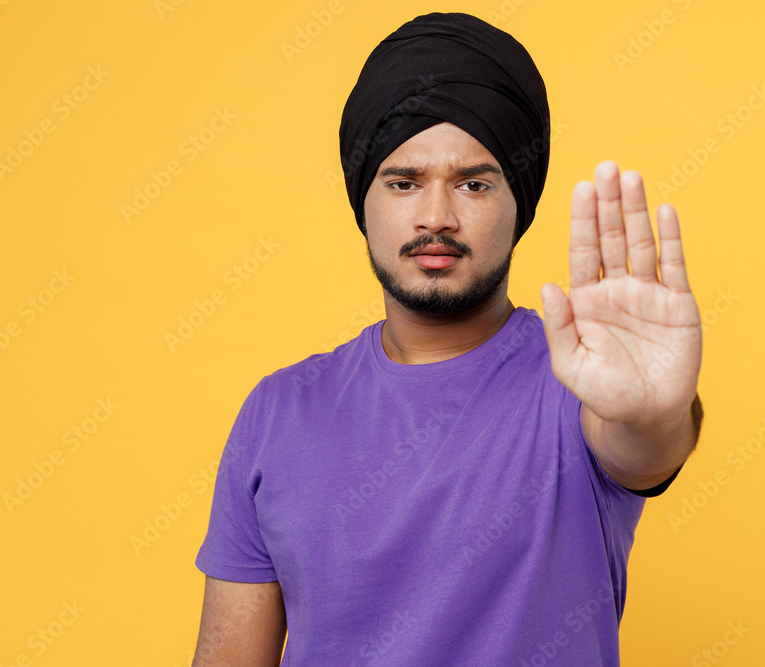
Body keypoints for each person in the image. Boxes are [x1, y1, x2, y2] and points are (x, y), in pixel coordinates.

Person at [191, 11, 704, 666]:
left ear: (519, 201)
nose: (436, 217)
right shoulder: (276, 412)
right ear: (363, 198)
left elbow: (644, 444)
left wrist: (656, 410)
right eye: (404, 182)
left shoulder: (579, 385)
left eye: (474, 184)